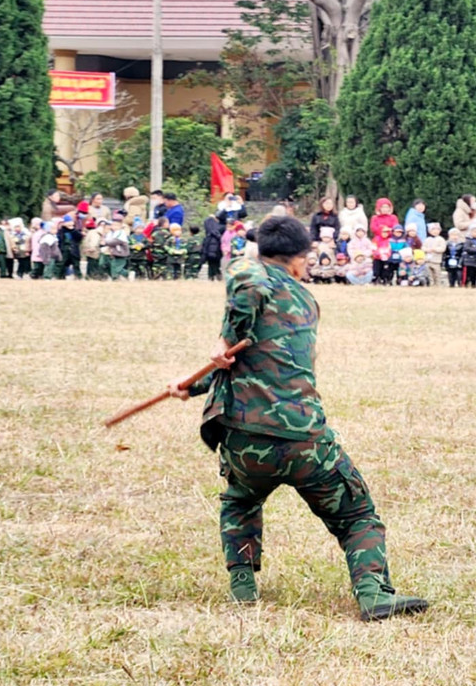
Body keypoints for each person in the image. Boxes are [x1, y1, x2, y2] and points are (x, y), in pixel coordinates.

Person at [166, 215, 428, 619]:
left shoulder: (247, 275)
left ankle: (242, 589)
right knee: (357, 514)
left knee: (240, 501)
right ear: (299, 259)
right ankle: (374, 594)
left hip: (244, 438)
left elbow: (245, 343)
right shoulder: (306, 301)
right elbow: (263, 358)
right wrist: (210, 362)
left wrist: (206, 365)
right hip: (305, 439)